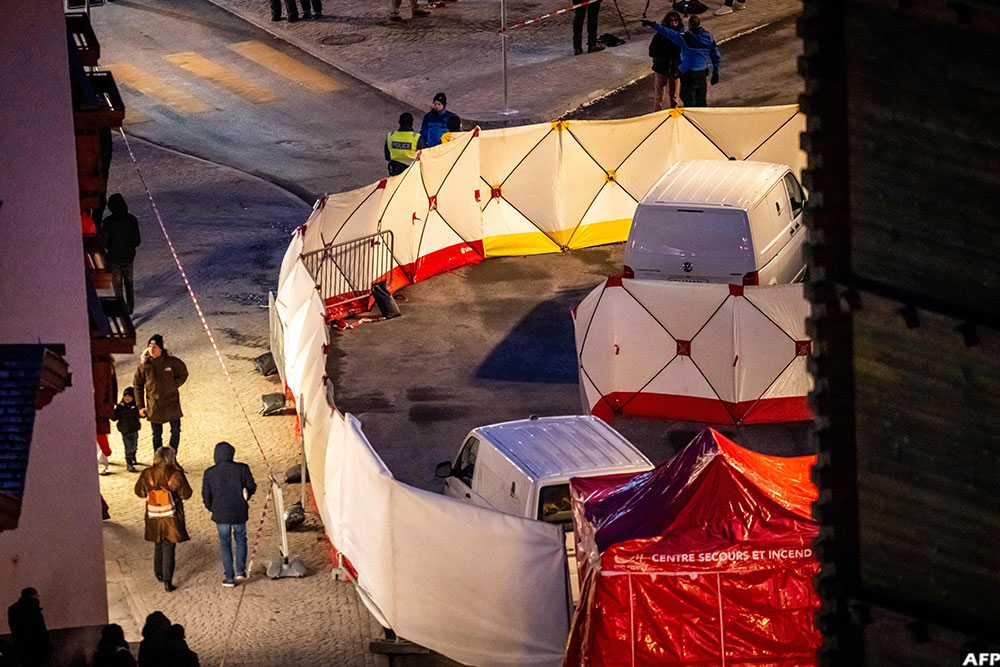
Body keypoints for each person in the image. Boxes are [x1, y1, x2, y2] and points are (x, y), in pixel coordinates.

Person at [134, 447, 192, 592]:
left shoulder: (147, 473)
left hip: (153, 515)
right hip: (171, 517)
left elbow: (139, 492)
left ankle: (158, 572)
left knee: (158, 542)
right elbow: (186, 494)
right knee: (169, 546)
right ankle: (168, 580)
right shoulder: (176, 474)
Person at [202, 442, 257, 587]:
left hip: (221, 514)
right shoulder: (242, 468)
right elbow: (252, 486)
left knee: (225, 543)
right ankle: (240, 571)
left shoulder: (209, 473)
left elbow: (206, 496)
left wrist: (213, 508)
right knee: (240, 539)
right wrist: (247, 494)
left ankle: (229, 577)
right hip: (239, 511)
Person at [641, 14, 720, 108]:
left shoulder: (685, 38)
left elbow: (669, 33)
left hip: (687, 74)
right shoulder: (708, 37)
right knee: (701, 101)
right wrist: (715, 71)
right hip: (701, 74)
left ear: (689, 24)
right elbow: (715, 54)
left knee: (688, 101)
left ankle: (688, 120)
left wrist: (653, 24)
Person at [133, 334, 188, 452]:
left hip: (171, 403)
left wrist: (174, 384)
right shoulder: (144, 366)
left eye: (155, 347)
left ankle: (172, 456)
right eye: (150, 346)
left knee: (175, 431)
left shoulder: (172, 362)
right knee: (157, 435)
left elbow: (183, 373)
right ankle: (158, 460)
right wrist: (140, 406)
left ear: (161, 349)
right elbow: (137, 385)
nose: (152, 349)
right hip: (154, 405)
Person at [101, 193, 141, 314]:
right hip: (128, 257)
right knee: (129, 283)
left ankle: (121, 311)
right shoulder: (132, 219)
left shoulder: (108, 222)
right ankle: (130, 308)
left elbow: (105, 242)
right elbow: (137, 240)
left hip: (114, 258)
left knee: (117, 287)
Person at [6, 588, 51, 667]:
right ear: (33, 596)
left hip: (20, 645)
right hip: (36, 646)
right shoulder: (33, 609)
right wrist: (48, 646)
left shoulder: (13, 609)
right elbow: (40, 629)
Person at [649, 11, 683, 110]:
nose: (673, 22)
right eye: (671, 20)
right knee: (659, 96)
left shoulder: (680, 35)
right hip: (661, 67)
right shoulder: (660, 36)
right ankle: (657, 116)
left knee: (674, 96)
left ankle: (675, 115)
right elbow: (652, 51)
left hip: (675, 68)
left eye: (676, 20)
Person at [113, 387, 142, 473]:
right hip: (124, 430)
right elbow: (115, 416)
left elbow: (140, 414)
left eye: (129, 397)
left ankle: (133, 455)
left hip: (134, 429)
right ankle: (129, 463)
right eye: (126, 397)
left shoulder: (136, 406)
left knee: (134, 445)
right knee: (128, 447)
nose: (127, 398)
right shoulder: (120, 406)